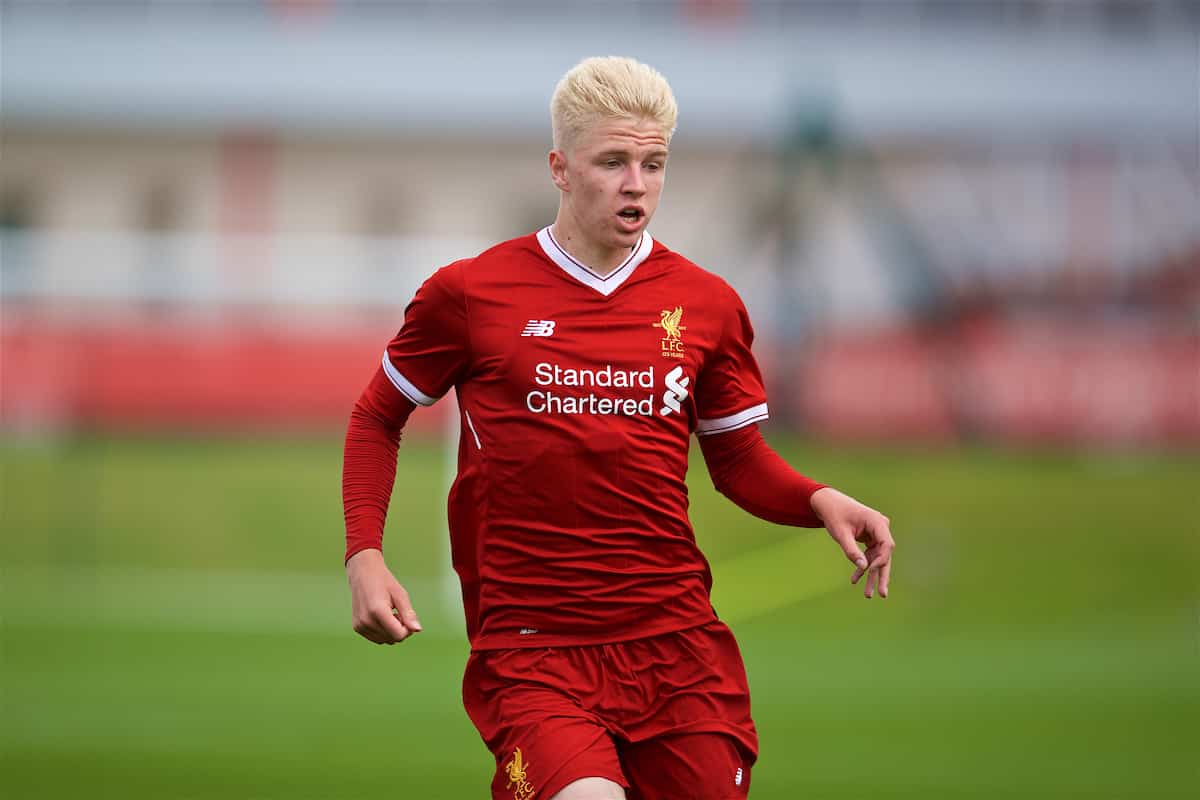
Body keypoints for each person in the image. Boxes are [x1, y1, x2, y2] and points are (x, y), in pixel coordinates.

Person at [342, 56, 894, 800]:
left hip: (679, 651)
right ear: (560, 168)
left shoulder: (707, 305)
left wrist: (818, 498)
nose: (636, 183)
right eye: (613, 161)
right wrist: (364, 555)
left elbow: (736, 461)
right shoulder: (471, 294)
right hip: (535, 653)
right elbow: (378, 414)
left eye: (653, 163)